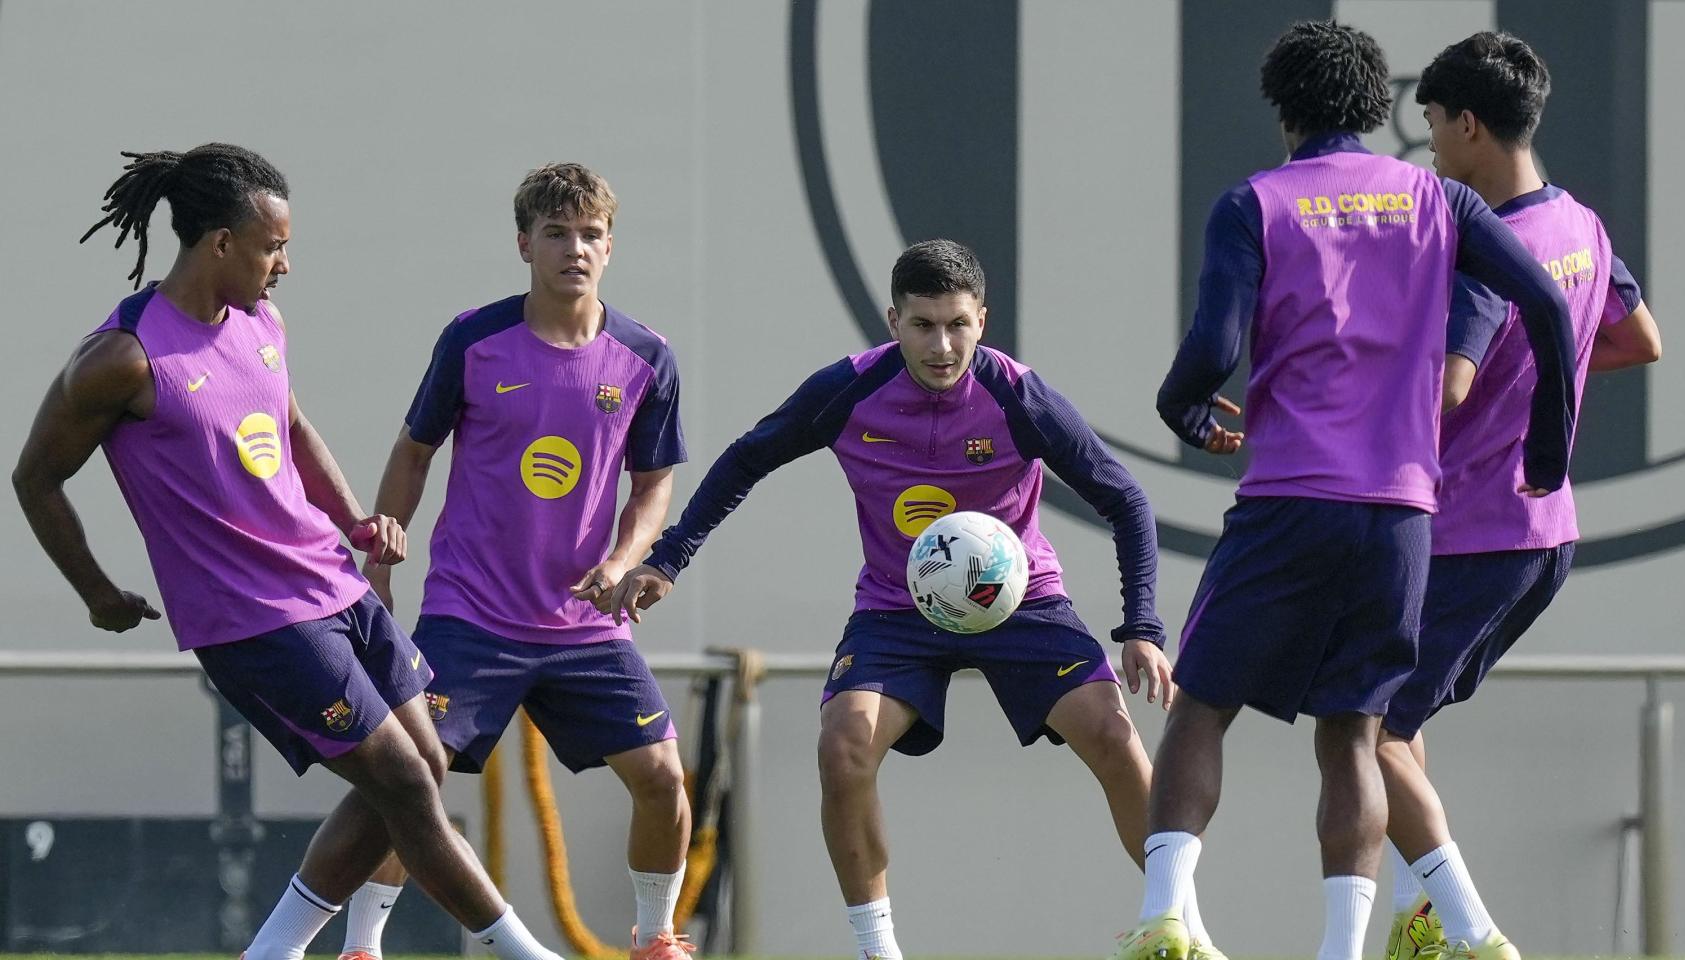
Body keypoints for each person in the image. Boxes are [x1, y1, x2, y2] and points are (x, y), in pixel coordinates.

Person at [12, 144, 562, 960]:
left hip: (336, 586)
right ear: (222, 244)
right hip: (254, 621)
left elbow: (291, 426)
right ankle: (528, 955)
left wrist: (356, 522)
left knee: (421, 771)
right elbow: (35, 478)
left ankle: (276, 953)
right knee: (405, 784)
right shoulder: (120, 360)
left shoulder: (260, 321)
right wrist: (95, 590)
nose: (286, 264)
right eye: (273, 246)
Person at [1112, 20, 1580, 960]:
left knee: (1202, 704)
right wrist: (1547, 444)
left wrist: (1184, 407)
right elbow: (1545, 306)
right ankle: (1342, 951)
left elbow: (1212, 352)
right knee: (1355, 734)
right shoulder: (1442, 199)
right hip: (1404, 514)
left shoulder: (1254, 204)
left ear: (1283, 109)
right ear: (1376, 108)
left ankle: (1165, 914)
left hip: (1290, 497)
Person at [610, 239, 1200, 960]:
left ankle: (1178, 928)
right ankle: (878, 951)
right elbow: (746, 457)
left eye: (957, 324)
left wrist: (1141, 625)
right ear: (893, 321)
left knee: (1112, 733)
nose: (942, 345)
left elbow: (1126, 498)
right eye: (923, 325)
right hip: (897, 608)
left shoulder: (1018, 395)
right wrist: (668, 558)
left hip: (1022, 604)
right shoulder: (849, 389)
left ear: (982, 319)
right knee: (844, 745)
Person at [343, 162, 694, 960]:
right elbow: (415, 449)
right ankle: (362, 946)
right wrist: (383, 554)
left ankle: (655, 939)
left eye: (592, 235)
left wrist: (621, 561)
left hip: (584, 626)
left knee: (664, 779)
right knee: (411, 780)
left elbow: (652, 490)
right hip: (471, 615)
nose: (576, 249)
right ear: (524, 244)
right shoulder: (475, 339)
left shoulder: (646, 357)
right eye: (558, 234)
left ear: (611, 246)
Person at [1379, 32, 1663, 960]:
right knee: (1399, 724)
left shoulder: (1485, 245)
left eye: (1429, 125)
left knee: (1364, 730)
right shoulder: (1579, 223)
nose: (1427, 145)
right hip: (1543, 532)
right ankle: (1425, 927)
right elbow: (1636, 339)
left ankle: (1471, 935)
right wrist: (1542, 380)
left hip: (1473, 529)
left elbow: (1448, 388)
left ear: (1467, 126)